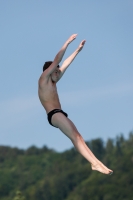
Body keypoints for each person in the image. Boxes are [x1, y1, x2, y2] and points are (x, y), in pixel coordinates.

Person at [38, 34, 113, 175]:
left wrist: (78, 50)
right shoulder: (43, 80)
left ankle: (96, 163)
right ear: (49, 71)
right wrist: (67, 42)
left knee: (78, 137)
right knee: (74, 136)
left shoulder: (53, 80)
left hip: (59, 113)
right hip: (53, 114)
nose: (58, 74)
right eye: (56, 71)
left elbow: (65, 63)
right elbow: (58, 60)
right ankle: (95, 163)